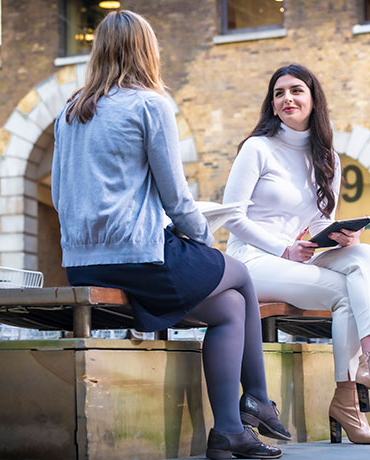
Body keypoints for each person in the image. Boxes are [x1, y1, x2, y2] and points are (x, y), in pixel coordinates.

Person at [51, 11, 288, 459]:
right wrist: (204, 238)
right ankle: (257, 397)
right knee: (239, 275)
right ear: (147, 51)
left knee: (231, 308)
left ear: (99, 51)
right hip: (139, 255)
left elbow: (61, 197)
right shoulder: (149, 103)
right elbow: (176, 198)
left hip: (80, 260)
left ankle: (231, 432)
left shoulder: (70, 112)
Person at [222, 64, 370, 444]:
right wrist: (283, 247)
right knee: (344, 293)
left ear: (313, 99)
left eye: (296, 90)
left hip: (296, 256)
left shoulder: (326, 156)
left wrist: (340, 236)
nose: (287, 98)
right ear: (272, 103)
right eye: (279, 93)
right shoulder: (257, 148)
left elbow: (318, 219)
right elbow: (232, 216)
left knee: (364, 257)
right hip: (253, 259)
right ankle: (356, 389)